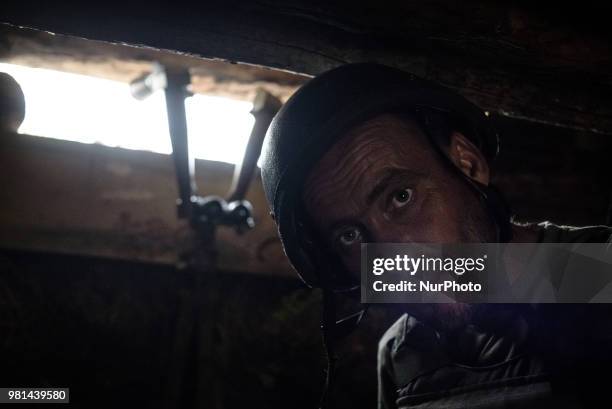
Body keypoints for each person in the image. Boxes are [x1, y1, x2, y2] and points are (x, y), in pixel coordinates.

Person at [260, 63, 612, 408]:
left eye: (401, 197)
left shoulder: (599, 271)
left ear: (468, 165)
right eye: (350, 235)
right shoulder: (402, 354)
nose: (394, 261)